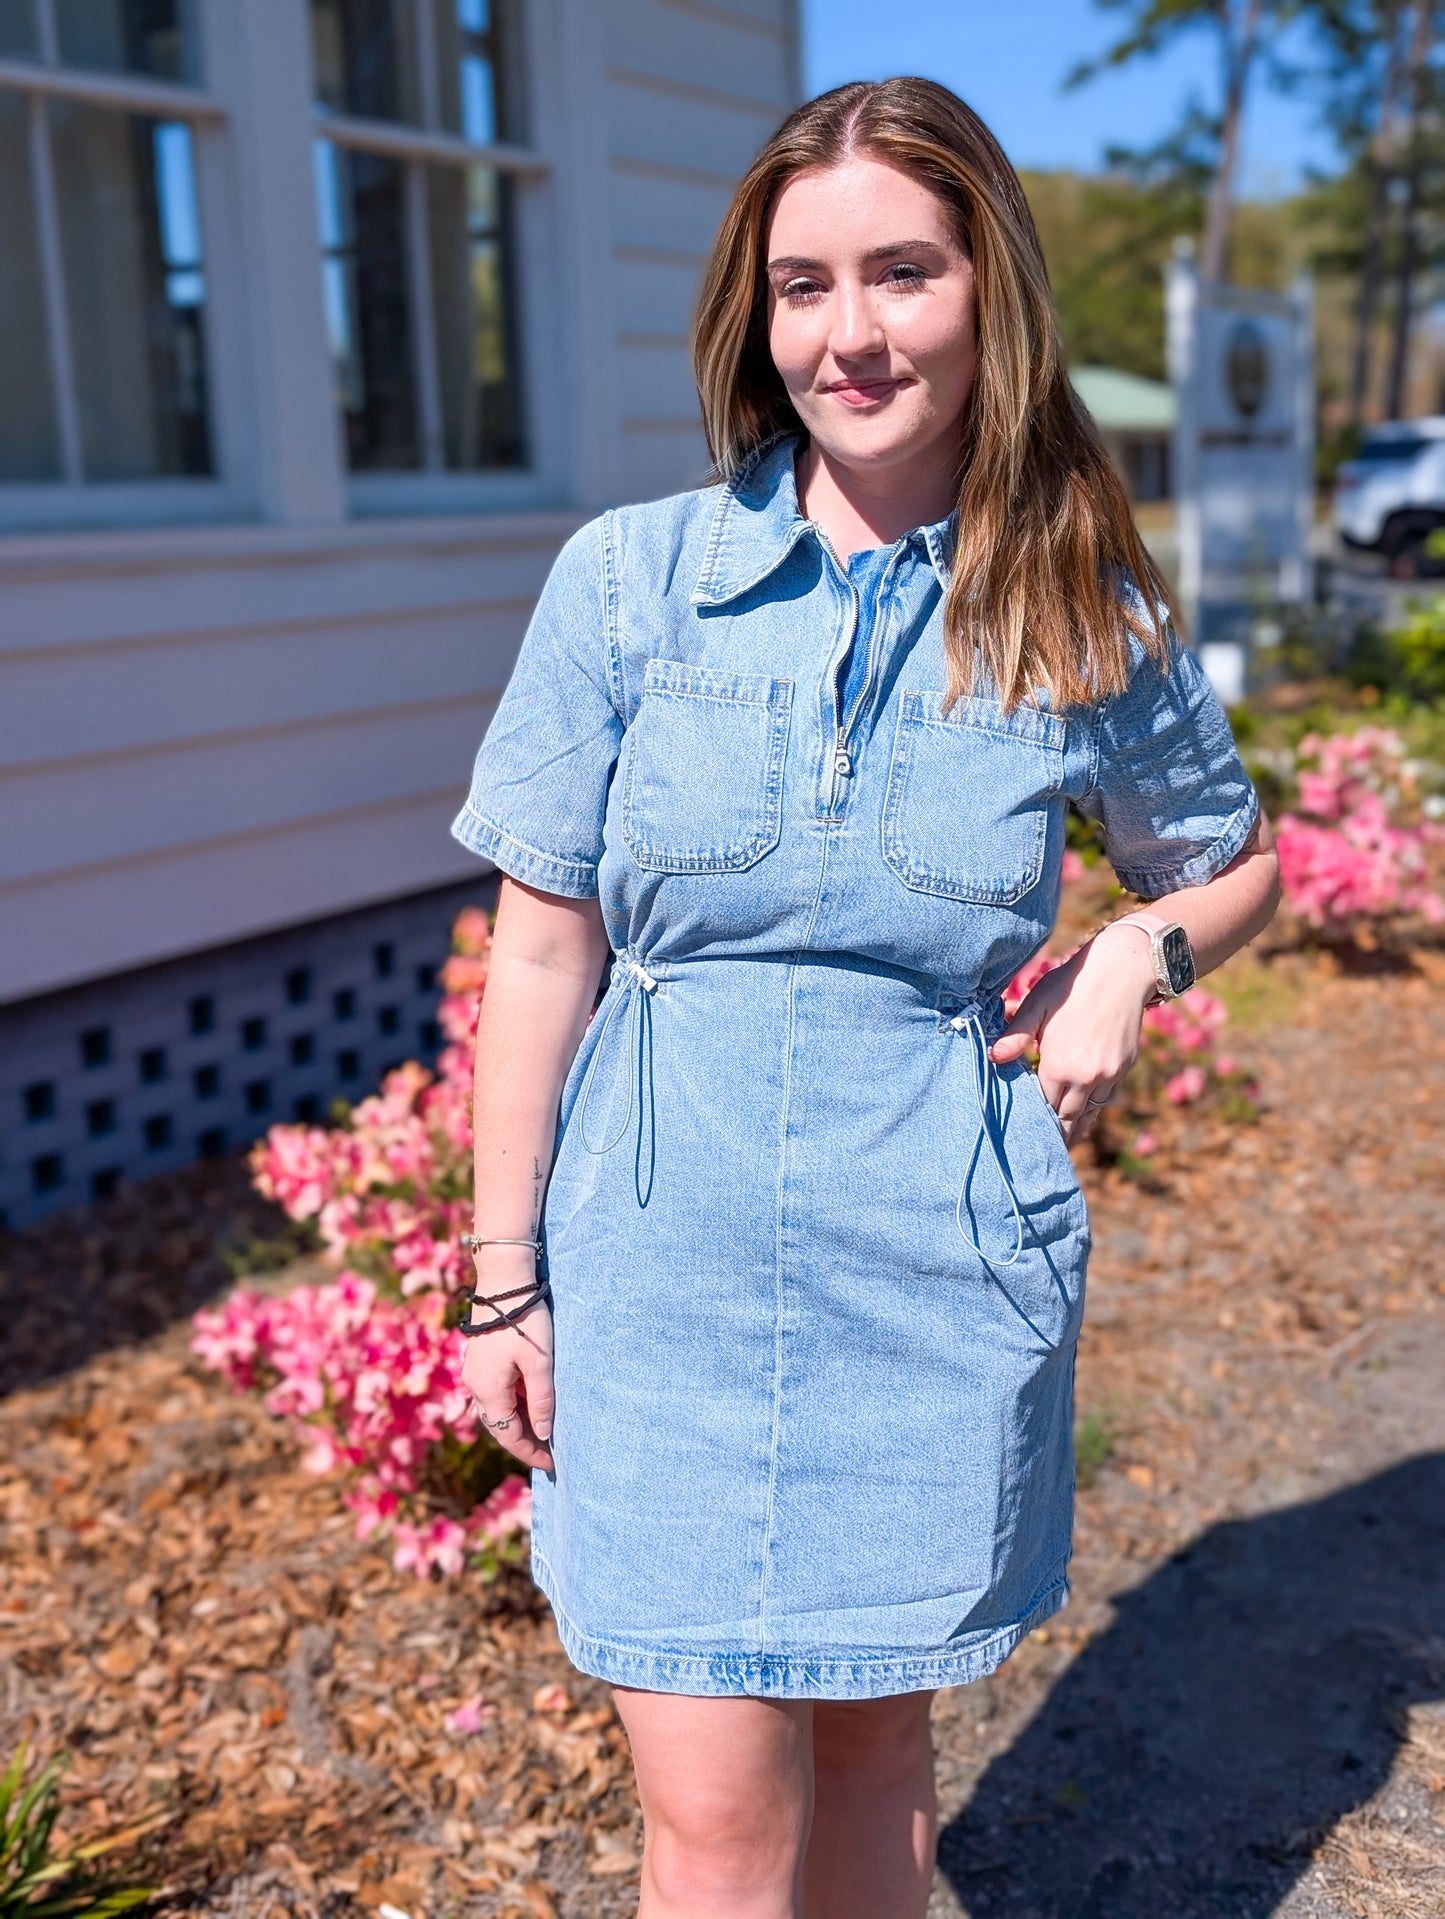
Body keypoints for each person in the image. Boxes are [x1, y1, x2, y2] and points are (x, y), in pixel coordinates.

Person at [448, 76, 1280, 1919]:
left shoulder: (1079, 609)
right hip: (659, 1268)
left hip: (931, 1256)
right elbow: (539, 948)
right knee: (714, 1816)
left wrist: (1131, 958)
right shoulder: (630, 584)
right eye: (802, 284)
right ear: (753, 316)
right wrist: (503, 1277)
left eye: (901, 273)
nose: (849, 334)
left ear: (990, 293)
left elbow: (1232, 866)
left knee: (879, 1760)